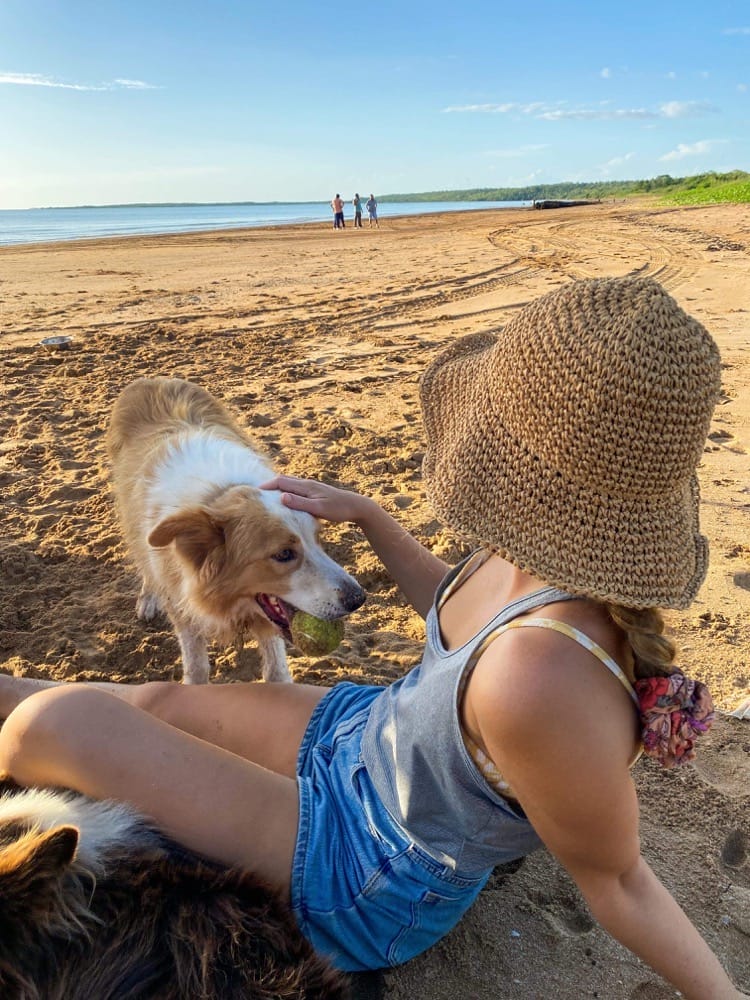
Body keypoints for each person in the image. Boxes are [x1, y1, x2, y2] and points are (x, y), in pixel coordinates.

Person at [0, 278, 745, 999]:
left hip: (367, 862)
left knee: (58, 723)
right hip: (376, 737)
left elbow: (619, 881)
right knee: (152, 699)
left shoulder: (541, 675)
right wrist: (370, 517)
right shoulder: (535, 560)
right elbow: (455, 618)